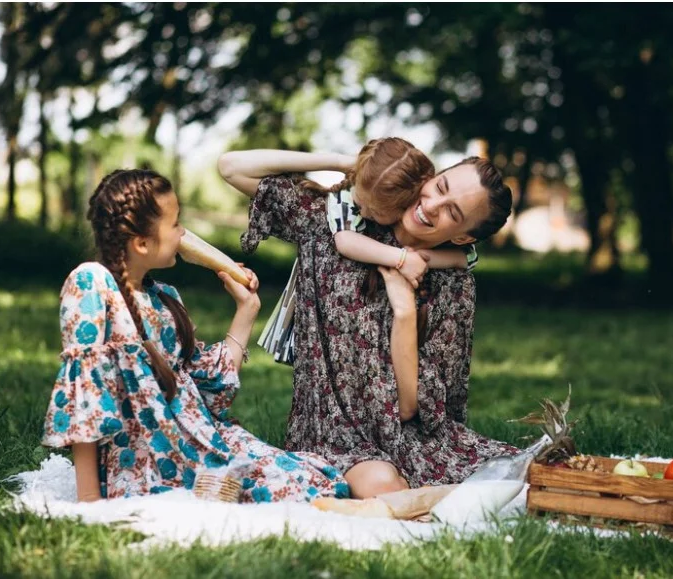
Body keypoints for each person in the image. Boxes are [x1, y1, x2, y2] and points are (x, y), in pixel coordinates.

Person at [218, 148, 518, 498]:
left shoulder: (454, 284)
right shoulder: (334, 223)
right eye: (440, 186)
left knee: (518, 479)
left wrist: (404, 315)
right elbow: (231, 167)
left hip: (413, 438)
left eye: (453, 211)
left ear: (464, 238)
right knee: (385, 487)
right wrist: (344, 162)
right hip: (333, 434)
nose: (434, 205)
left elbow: (410, 408)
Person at [41, 168, 349, 503]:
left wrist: (246, 311)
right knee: (292, 496)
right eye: (175, 224)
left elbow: (212, 391)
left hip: (203, 444)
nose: (183, 232)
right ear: (142, 243)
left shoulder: (165, 296)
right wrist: (89, 502)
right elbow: (87, 396)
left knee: (319, 480)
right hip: (149, 464)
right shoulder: (92, 283)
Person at [258, 137, 477, 365]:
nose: (361, 207)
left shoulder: (395, 205)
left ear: (400, 206)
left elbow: (469, 257)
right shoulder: (345, 197)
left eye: (373, 209)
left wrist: (424, 259)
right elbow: (345, 241)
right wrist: (344, 162)